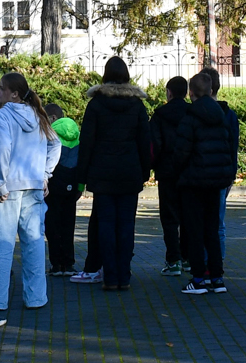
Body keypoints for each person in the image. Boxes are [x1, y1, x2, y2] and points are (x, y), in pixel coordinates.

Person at [0, 71, 62, 326]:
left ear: (14, 94)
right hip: (33, 186)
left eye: (2, 88)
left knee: (0, 244)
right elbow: (56, 145)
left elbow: (3, 150)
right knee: (34, 243)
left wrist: (0, 183)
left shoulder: (1, 116)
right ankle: (36, 297)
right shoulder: (38, 115)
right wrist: (44, 174)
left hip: (8, 189)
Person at [75, 57, 151, 292]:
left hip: (102, 173)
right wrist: (145, 171)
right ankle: (124, 275)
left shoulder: (96, 104)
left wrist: (82, 175)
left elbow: (87, 142)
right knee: (126, 225)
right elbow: (144, 141)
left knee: (106, 225)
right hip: (129, 172)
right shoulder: (137, 105)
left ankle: (109, 276)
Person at [166, 67, 238, 296]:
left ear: (191, 93)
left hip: (193, 182)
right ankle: (217, 278)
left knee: (195, 231)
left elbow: (181, 151)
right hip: (215, 182)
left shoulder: (190, 118)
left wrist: (177, 173)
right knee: (212, 230)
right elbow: (228, 147)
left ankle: (198, 279)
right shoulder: (221, 116)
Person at [150, 76, 190, 275]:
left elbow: (154, 144)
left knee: (169, 217)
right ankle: (189, 258)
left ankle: (173, 260)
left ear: (169, 92)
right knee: (189, 215)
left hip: (167, 171)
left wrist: (153, 166)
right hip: (189, 171)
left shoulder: (159, 115)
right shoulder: (193, 113)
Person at [45, 115, 83, 276]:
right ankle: (68, 264)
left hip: (53, 187)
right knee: (68, 225)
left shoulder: (49, 135)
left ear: (53, 117)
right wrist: (80, 187)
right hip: (72, 187)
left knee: (52, 225)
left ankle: (56, 264)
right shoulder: (79, 136)